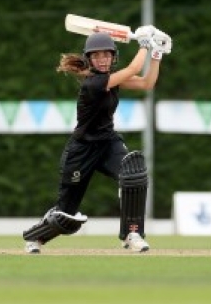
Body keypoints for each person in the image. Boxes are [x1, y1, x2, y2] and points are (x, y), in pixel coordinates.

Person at [22, 26, 172, 254]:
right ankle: (35, 238)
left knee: (134, 175)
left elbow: (145, 83)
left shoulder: (111, 79)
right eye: (97, 55)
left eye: (106, 54)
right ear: (89, 59)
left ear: (113, 57)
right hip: (81, 149)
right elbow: (133, 68)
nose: (102, 59)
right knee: (66, 215)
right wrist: (144, 44)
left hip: (107, 143)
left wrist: (157, 53)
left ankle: (133, 234)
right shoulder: (94, 84)